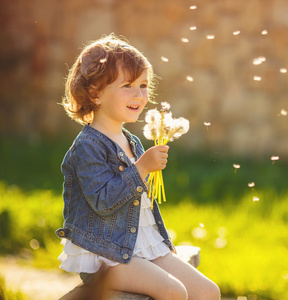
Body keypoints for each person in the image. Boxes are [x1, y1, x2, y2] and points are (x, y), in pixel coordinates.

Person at [56, 33, 220, 300]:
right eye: (128, 86)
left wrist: (164, 244)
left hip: (140, 246)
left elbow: (143, 205)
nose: (139, 95)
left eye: (143, 86)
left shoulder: (131, 141)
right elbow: (102, 200)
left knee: (208, 292)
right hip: (106, 256)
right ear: (96, 93)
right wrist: (142, 168)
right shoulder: (87, 147)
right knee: (173, 291)